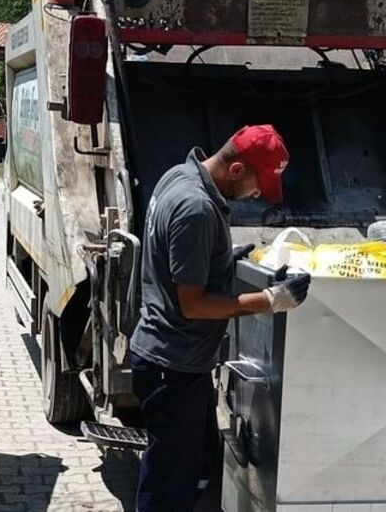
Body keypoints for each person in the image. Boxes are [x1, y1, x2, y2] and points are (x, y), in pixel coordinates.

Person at [129, 125, 312, 512]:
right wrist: (266, 299)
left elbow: (173, 261)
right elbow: (193, 304)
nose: (259, 194)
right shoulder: (196, 209)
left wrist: (223, 260)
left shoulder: (178, 175)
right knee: (168, 488)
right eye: (257, 184)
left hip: (175, 364)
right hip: (172, 367)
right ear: (236, 170)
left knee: (201, 467)